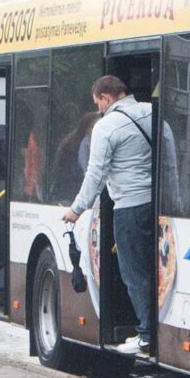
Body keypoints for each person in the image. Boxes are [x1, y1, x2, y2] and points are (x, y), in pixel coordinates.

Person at [63, 75, 156, 356]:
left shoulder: (106, 126)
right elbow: (170, 161)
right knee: (154, 269)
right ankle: (154, 329)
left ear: (106, 97)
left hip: (129, 207)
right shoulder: (154, 113)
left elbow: (96, 173)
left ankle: (146, 334)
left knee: (134, 272)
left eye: (98, 104)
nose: (99, 109)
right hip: (156, 205)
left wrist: (77, 209)